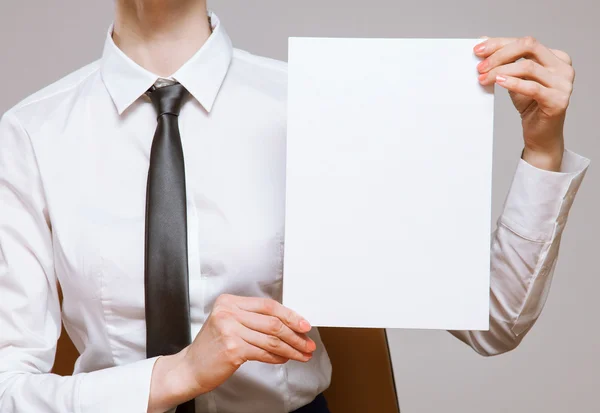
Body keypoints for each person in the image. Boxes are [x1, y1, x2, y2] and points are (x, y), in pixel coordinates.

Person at [0, 1, 590, 413]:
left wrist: (541, 147)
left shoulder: (321, 105)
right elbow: (8, 390)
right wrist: (175, 374)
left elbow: (492, 322)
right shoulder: (30, 135)